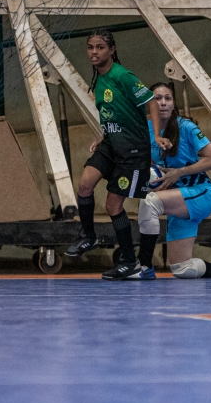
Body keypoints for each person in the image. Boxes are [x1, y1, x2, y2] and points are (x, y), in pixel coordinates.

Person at [64, 30, 165, 279]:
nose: (94, 52)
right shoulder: (99, 78)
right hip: (111, 143)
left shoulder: (123, 75)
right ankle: (88, 236)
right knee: (85, 184)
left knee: (112, 205)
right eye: (90, 47)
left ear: (111, 50)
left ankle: (130, 262)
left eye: (100, 47)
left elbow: (151, 102)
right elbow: (114, 112)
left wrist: (156, 136)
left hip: (132, 150)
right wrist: (105, 134)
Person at [134, 82, 211, 279]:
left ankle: (144, 266)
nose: (163, 103)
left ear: (173, 103)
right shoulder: (146, 130)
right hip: (177, 199)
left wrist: (179, 172)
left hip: (199, 193)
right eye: (157, 98)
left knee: (149, 202)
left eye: (168, 98)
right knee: (182, 269)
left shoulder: (186, 127)